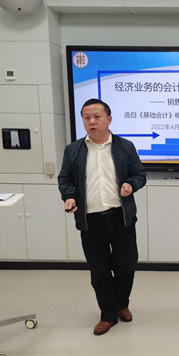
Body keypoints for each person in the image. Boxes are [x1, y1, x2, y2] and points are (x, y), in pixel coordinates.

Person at [58, 98, 147, 335]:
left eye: (97, 117)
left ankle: (122, 304)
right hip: (91, 221)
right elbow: (65, 179)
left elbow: (140, 174)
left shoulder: (125, 147)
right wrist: (69, 196)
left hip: (121, 218)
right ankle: (108, 314)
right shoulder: (73, 150)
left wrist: (131, 185)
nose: (92, 122)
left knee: (126, 268)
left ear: (109, 119)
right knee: (99, 273)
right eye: (87, 118)